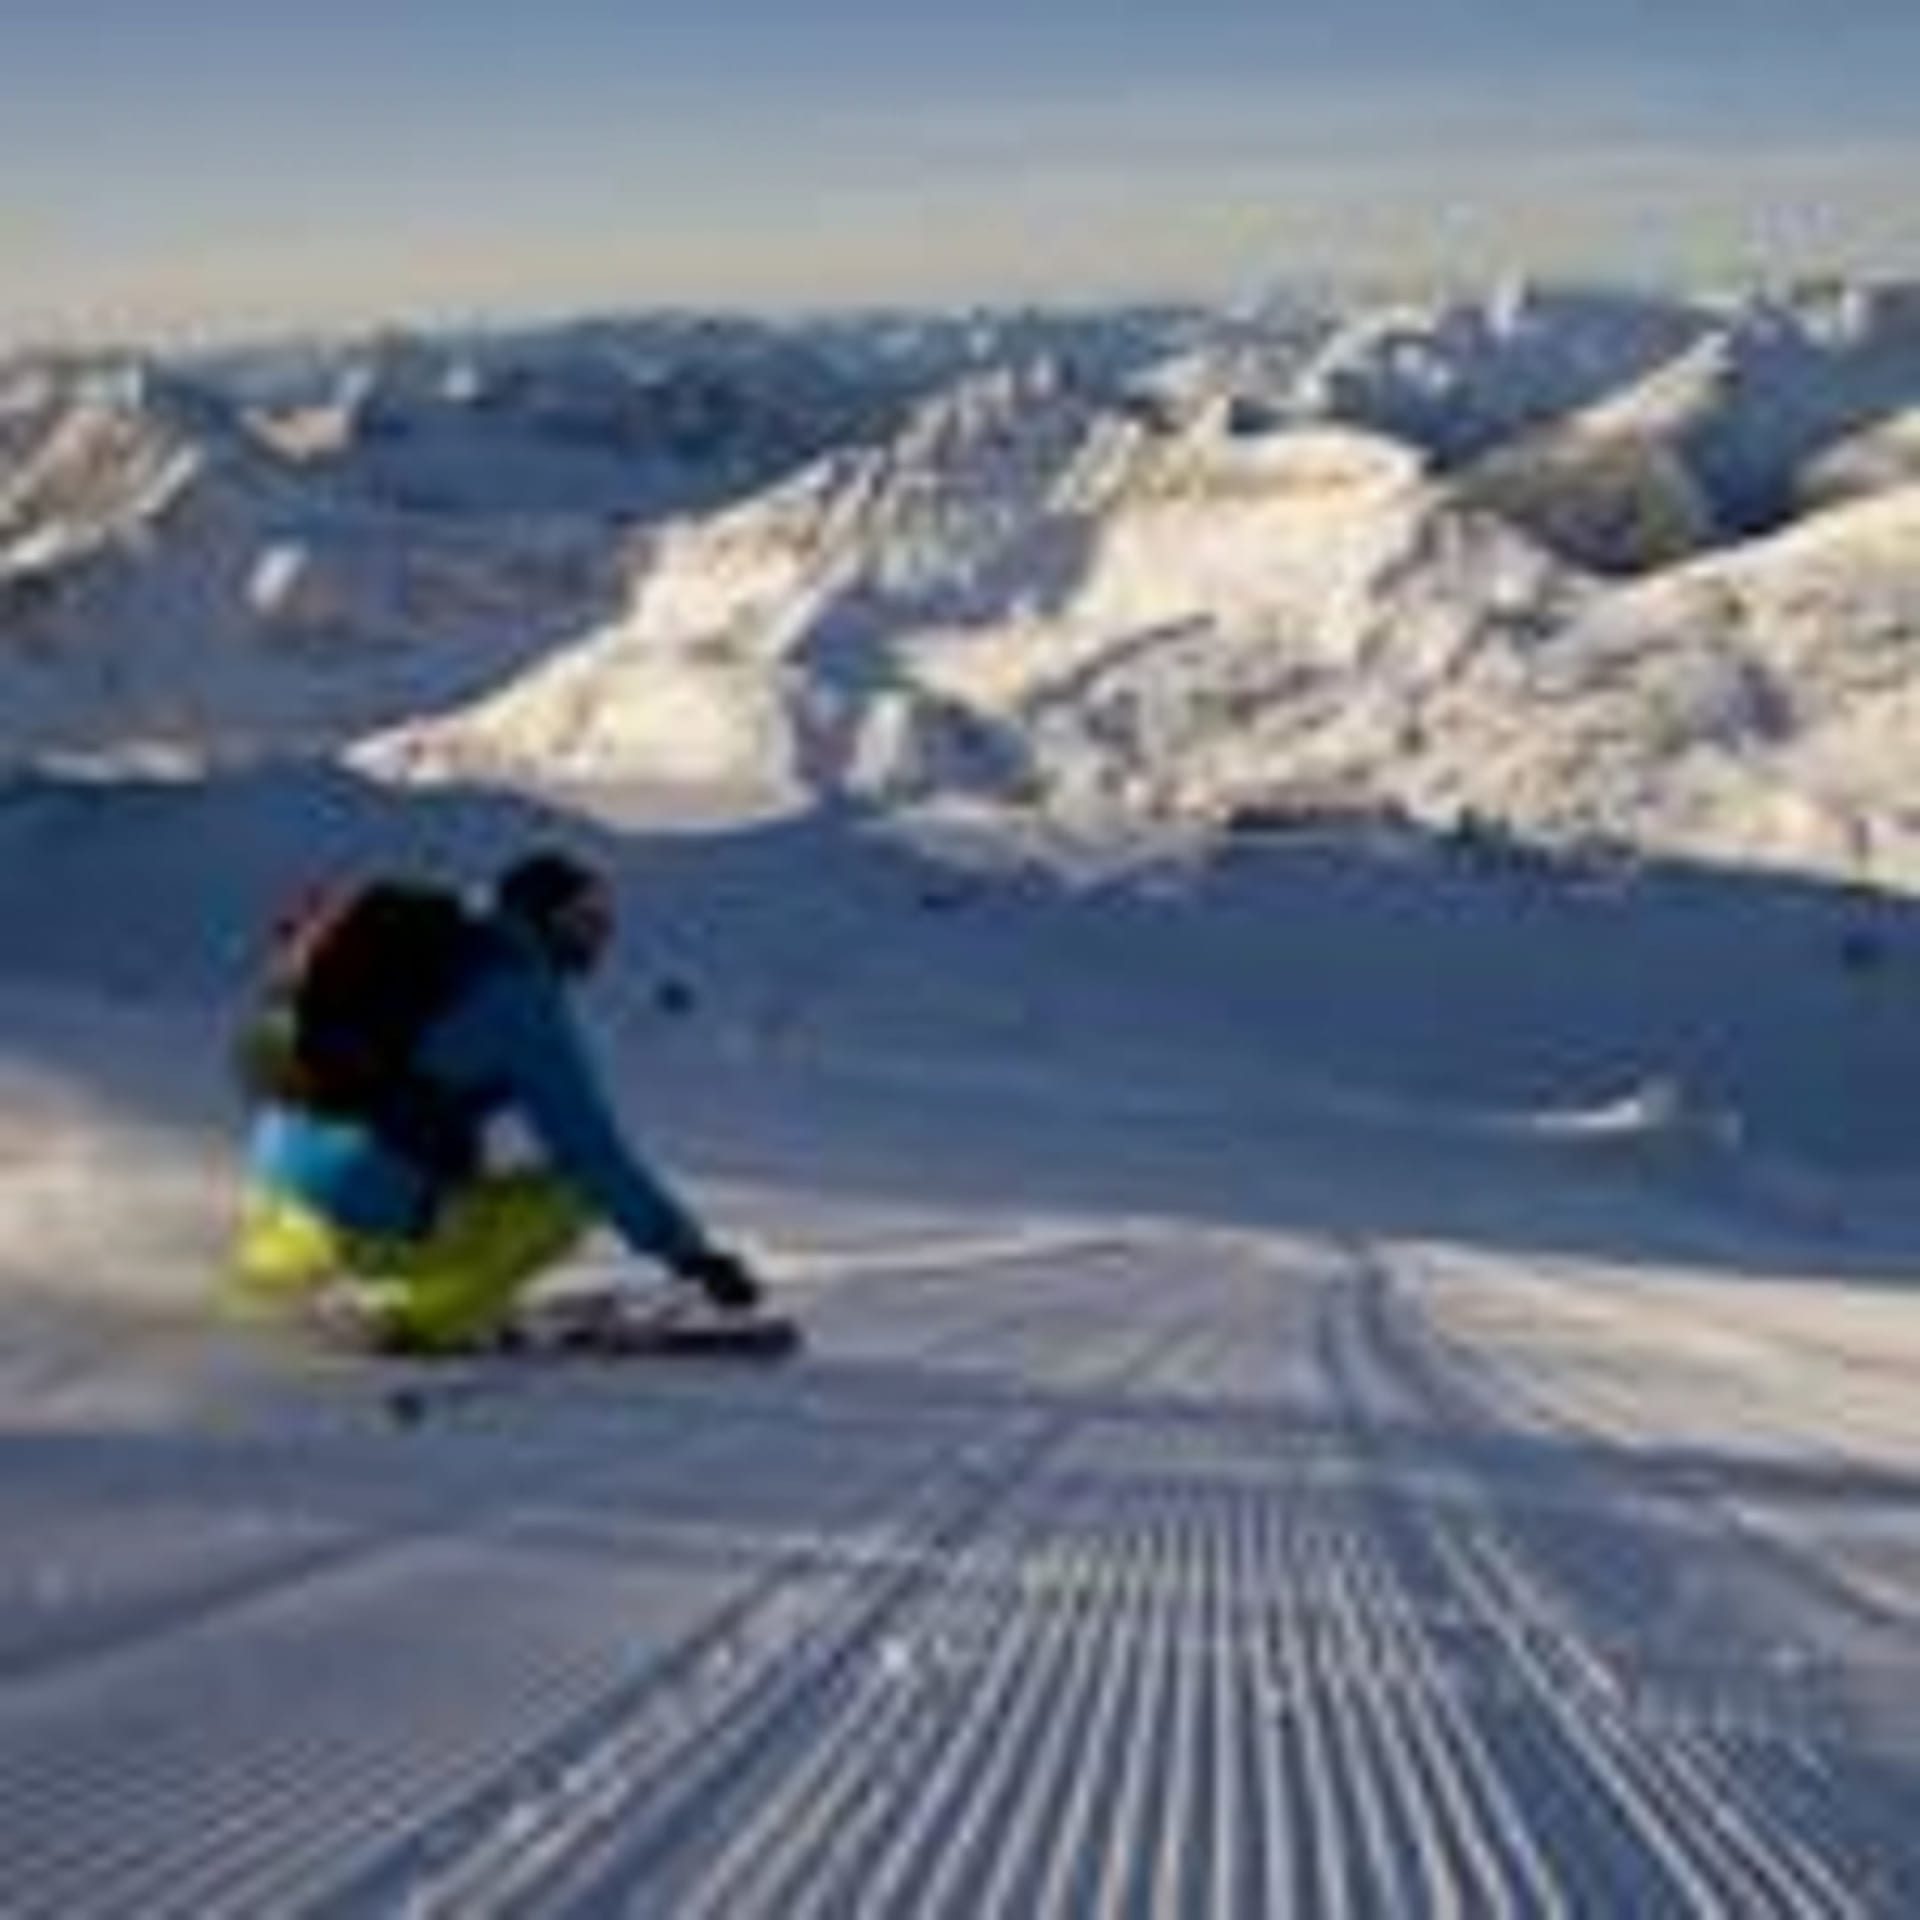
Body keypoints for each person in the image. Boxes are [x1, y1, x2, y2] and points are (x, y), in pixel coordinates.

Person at [229, 848, 764, 1353]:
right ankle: (427, 1323)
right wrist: (692, 1255)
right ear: (545, 920)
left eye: (601, 922)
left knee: (405, 1158)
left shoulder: (430, 951)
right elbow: (594, 1155)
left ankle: (272, 1270)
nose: (597, 940)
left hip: (283, 1193)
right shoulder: (520, 998)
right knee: (572, 1196)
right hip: (362, 1222)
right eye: (585, 921)